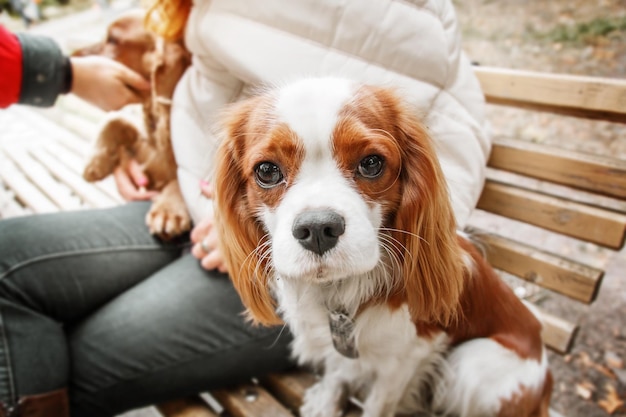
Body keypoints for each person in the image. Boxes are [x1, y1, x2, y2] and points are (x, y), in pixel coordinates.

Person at [0, 1, 490, 416]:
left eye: (367, 163)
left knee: (68, 356)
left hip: (275, 257)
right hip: (202, 212)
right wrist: (161, 168)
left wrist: (245, 219)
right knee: (6, 259)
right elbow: (206, 116)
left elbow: (440, 133)